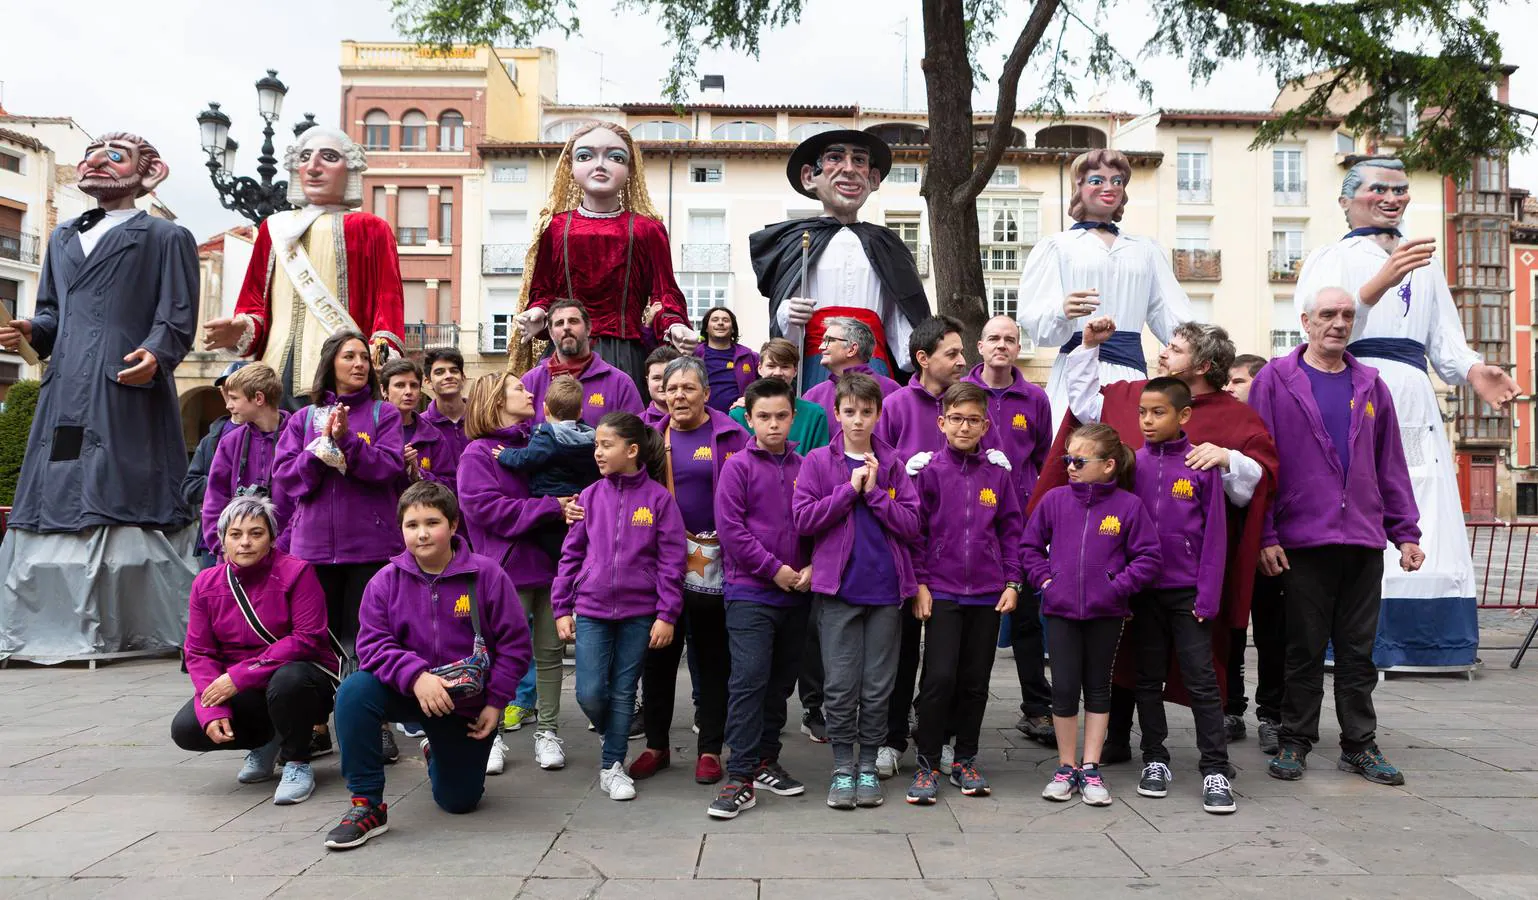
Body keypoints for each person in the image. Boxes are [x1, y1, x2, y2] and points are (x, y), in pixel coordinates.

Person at [1293, 158, 1515, 673]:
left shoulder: (1426, 261)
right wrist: (1379, 282)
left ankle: (1429, 643)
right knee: (1360, 493)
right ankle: (1356, 639)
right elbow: (1322, 321)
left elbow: (1446, 341)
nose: (1392, 198)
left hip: (1414, 391)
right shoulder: (1330, 257)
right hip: (1356, 381)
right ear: (1347, 201)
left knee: (1425, 495)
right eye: (1378, 189)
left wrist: (1475, 370)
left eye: (1400, 189)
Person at [1038, 318, 1278, 766]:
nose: (1163, 353)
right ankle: (1125, 742)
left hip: (1191, 575)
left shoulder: (1236, 417)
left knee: (1199, 668)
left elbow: (1256, 482)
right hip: (1129, 571)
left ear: (1204, 365)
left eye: (1175, 348)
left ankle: (1214, 761)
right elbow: (1088, 404)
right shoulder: (1135, 394)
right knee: (1127, 658)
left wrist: (1230, 458)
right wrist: (1089, 346)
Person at [0, 131, 199, 662]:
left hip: (124, 382)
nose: (96, 160)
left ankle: (133, 622)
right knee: (58, 479)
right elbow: (51, 312)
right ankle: (41, 621)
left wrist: (157, 354)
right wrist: (31, 329)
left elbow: (177, 315)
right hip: (65, 385)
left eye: (115, 154)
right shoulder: (62, 237)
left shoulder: (165, 237)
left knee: (121, 481)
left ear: (147, 171)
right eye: (93, 152)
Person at [1254, 286, 1424, 786]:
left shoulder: (1371, 383)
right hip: (1302, 541)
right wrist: (1265, 533)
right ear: (1305, 321)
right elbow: (1261, 465)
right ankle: (1294, 741)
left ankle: (1359, 745)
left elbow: (1390, 465)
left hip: (1363, 540)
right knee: (1302, 648)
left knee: (1357, 651)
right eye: (1328, 314)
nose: (1338, 322)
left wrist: (1405, 532)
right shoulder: (1275, 380)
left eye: (1347, 315)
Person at [323, 482, 533, 850]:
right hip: (408, 692)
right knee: (354, 691)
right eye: (411, 524)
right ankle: (366, 805)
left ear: (453, 525)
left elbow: (515, 645)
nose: (421, 533)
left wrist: (496, 703)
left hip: (464, 702)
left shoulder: (488, 576)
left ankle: (437, 749)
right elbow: (371, 645)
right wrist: (415, 676)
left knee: (459, 801)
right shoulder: (384, 582)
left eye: (432, 522)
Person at [272, 330, 405, 763]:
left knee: (367, 640)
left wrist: (348, 441)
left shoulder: (384, 414)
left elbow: (387, 469)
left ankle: (376, 723)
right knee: (316, 642)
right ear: (331, 362)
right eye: (349, 356)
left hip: (370, 547)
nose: (359, 363)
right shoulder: (301, 418)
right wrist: (320, 449)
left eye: (364, 357)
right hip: (312, 551)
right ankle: (316, 725)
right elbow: (288, 480)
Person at [792, 373, 921, 811]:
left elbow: (911, 525)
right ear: (837, 413)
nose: (859, 419)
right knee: (841, 685)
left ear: (878, 414)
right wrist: (849, 491)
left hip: (885, 593)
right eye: (850, 411)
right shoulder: (817, 462)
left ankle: (869, 765)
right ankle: (842, 767)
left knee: (877, 686)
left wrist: (878, 495)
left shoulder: (894, 464)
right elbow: (804, 520)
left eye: (867, 412)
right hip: (838, 592)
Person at [207, 127, 404, 403]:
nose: (313, 167)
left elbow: (388, 303)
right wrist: (239, 330)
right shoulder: (273, 228)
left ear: (350, 170)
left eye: (329, 157)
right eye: (305, 157)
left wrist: (380, 353)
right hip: (273, 372)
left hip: (342, 375)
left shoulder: (372, 229)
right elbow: (254, 304)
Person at [1021, 423, 1160, 807]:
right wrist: (1047, 583)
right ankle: (1065, 767)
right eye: (1068, 458)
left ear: (1109, 465)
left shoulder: (1129, 506)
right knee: (1064, 689)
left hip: (1107, 613)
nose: (1070, 467)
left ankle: (1091, 766)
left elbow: (1149, 557)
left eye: (1079, 460)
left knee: (1098, 687)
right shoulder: (1054, 500)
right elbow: (1029, 547)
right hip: (1061, 610)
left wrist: (1116, 587)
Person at [172, 495, 340, 806]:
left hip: (303, 677)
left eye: (256, 533)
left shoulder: (297, 572)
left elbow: (307, 638)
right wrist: (213, 709)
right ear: (222, 540)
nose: (245, 542)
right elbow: (199, 652)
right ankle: (267, 739)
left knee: (288, 681)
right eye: (235, 535)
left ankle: (297, 761)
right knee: (187, 728)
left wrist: (240, 675)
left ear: (273, 538)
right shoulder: (205, 583)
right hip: (247, 686)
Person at [629, 356, 751, 785]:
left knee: (713, 659)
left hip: (717, 565)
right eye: (671, 387)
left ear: (706, 393)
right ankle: (656, 746)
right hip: (658, 567)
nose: (677, 395)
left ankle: (711, 749)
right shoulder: (645, 438)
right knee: (657, 658)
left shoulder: (733, 434)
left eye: (687, 388)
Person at [553, 412, 687, 801]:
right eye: (596, 444)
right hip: (592, 609)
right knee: (590, 692)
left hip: (639, 613)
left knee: (625, 690)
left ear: (632, 450)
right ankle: (613, 733)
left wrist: (666, 614)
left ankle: (612, 764)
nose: (598, 452)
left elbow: (671, 562)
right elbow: (570, 556)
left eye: (605, 444)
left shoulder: (659, 500)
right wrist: (562, 606)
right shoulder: (589, 497)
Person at [903, 382, 1022, 805]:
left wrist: (1012, 582)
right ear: (942, 423)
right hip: (942, 590)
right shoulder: (929, 472)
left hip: (988, 593)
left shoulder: (997, 473)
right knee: (938, 679)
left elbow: (1011, 531)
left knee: (975, 681)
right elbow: (916, 533)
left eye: (973, 419)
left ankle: (965, 759)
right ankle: (928, 763)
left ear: (986, 425)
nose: (965, 426)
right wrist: (919, 583)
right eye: (956, 418)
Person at [1017, 149, 1193, 431]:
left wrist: (1198, 352)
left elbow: (1172, 314)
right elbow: (1036, 321)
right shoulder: (1057, 246)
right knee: (1071, 451)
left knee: (1131, 445)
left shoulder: (1145, 250)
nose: (1109, 188)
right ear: (1078, 186)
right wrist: (1061, 311)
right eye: (1097, 180)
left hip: (1130, 373)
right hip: (1075, 370)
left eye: (1117, 181)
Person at [511, 121, 696, 389]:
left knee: (620, 425)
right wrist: (538, 312)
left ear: (630, 169)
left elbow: (665, 293)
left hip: (624, 354)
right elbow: (544, 291)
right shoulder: (555, 228)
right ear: (571, 168)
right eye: (586, 156)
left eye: (615, 157)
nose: (600, 165)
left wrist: (674, 325)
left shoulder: (647, 230)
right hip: (565, 348)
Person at [1126, 377, 1234, 815]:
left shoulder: (1201, 467)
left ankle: (1215, 768)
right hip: (1143, 594)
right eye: (1143, 413)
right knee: (1147, 679)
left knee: (1202, 681)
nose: (1148, 421)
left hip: (1188, 594)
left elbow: (1215, 538)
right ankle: (1155, 758)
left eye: (1158, 413)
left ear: (1184, 415)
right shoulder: (1131, 465)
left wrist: (1207, 596)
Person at [708, 378, 814, 819]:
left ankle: (767, 758)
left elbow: (821, 522)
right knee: (749, 680)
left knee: (779, 684)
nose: (774, 425)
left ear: (793, 417)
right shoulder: (737, 467)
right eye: (764, 417)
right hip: (751, 593)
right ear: (748, 419)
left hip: (798, 595)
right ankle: (741, 776)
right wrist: (776, 570)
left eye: (782, 416)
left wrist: (813, 570)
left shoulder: (807, 464)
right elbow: (732, 531)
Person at [456, 371, 572, 773]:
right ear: (495, 400)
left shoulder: (539, 441)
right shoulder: (477, 453)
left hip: (550, 567)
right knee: (497, 656)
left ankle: (549, 731)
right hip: (505, 572)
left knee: (550, 651)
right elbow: (485, 509)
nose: (529, 392)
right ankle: (492, 737)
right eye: (518, 389)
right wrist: (551, 507)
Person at [751, 129, 930, 386]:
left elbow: (901, 317)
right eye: (835, 158)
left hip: (873, 365)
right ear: (809, 176)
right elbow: (784, 323)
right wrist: (787, 313)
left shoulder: (888, 246)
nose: (848, 169)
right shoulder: (792, 242)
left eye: (859, 160)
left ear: (874, 178)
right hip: (816, 365)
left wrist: (918, 357)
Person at [871, 314, 968, 780]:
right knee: (902, 648)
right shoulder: (895, 405)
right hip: (905, 546)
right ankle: (892, 738)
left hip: (956, 554)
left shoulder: (970, 403)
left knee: (948, 658)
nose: (962, 360)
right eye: (952, 352)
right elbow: (880, 469)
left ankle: (942, 737)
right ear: (923, 358)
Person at [963, 316, 1053, 745]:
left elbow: (1043, 457)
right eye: (994, 338)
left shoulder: (1035, 398)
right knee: (959, 618)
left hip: (1022, 523)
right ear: (979, 346)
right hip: (970, 523)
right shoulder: (960, 394)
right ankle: (941, 708)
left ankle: (1037, 708)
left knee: (1028, 621)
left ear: (1019, 348)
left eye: (1010, 339)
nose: (1002, 345)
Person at [495, 374, 601, 562]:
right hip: (580, 501)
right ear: (579, 413)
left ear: (545, 409)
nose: (529, 395)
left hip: (550, 499)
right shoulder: (590, 437)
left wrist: (505, 455)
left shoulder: (547, 437)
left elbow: (525, 459)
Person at [1220, 353, 1270, 745]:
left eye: (1237, 381)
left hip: (1271, 545)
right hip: (1232, 545)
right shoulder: (1229, 424)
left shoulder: (1273, 424)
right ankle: (1230, 708)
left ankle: (1273, 714)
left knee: (1273, 632)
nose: (1229, 388)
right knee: (1232, 631)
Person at [204, 363, 292, 557]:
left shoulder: (298, 437)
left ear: (258, 398)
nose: (228, 405)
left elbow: (304, 503)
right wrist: (222, 547)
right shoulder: (231, 442)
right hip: (237, 555)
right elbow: (214, 498)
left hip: (287, 557)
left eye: (234, 398)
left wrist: (281, 548)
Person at [522, 298, 646, 426]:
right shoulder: (531, 382)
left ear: (588, 328)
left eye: (573, 321)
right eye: (559, 323)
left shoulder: (620, 384)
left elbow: (635, 437)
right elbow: (514, 433)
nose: (566, 327)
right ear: (551, 333)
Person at [185, 362, 247, 566]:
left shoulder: (269, 435)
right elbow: (188, 489)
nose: (229, 393)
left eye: (235, 387)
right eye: (225, 388)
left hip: (251, 537)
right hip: (211, 542)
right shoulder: (211, 438)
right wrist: (221, 482)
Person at [801, 317, 901, 441]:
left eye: (829, 340)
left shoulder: (892, 391)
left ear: (852, 349)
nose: (821, 347)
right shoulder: (813, 396)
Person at [729, 338, 831, 452]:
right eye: (771, 366)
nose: (778, 373)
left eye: (785, 366)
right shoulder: (739, 414)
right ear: (759, 368)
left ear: (795, 371)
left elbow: (820, 462)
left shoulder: (815, 414)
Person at [381, 359, 456, 491]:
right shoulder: (371, 429)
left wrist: (418, 474)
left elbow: (450, 487)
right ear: (384, 390)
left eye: (414, 385)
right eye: (400, 385)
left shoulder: (433, 436)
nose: (408, 391)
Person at [694, 307, 760, 412]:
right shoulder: (693, 356)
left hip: (739, 419)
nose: (720, 323)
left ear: (733, 328)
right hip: (702, 419)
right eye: (715, 320)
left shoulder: (750, 356)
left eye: (725, 320)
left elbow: (768, 382)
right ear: (706, 328)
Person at [422, 347, 470, 463]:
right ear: (428, 382)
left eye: (454, 371)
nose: (448, 376)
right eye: (439, 372)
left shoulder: (482, 418)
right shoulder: (421, 425)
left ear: (463, 378)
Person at [643, 346, 682, 429]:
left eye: (669, 377)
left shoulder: (700, 419)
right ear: (647, 381)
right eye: (657, 378)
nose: (663, 384)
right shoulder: (637, 425)